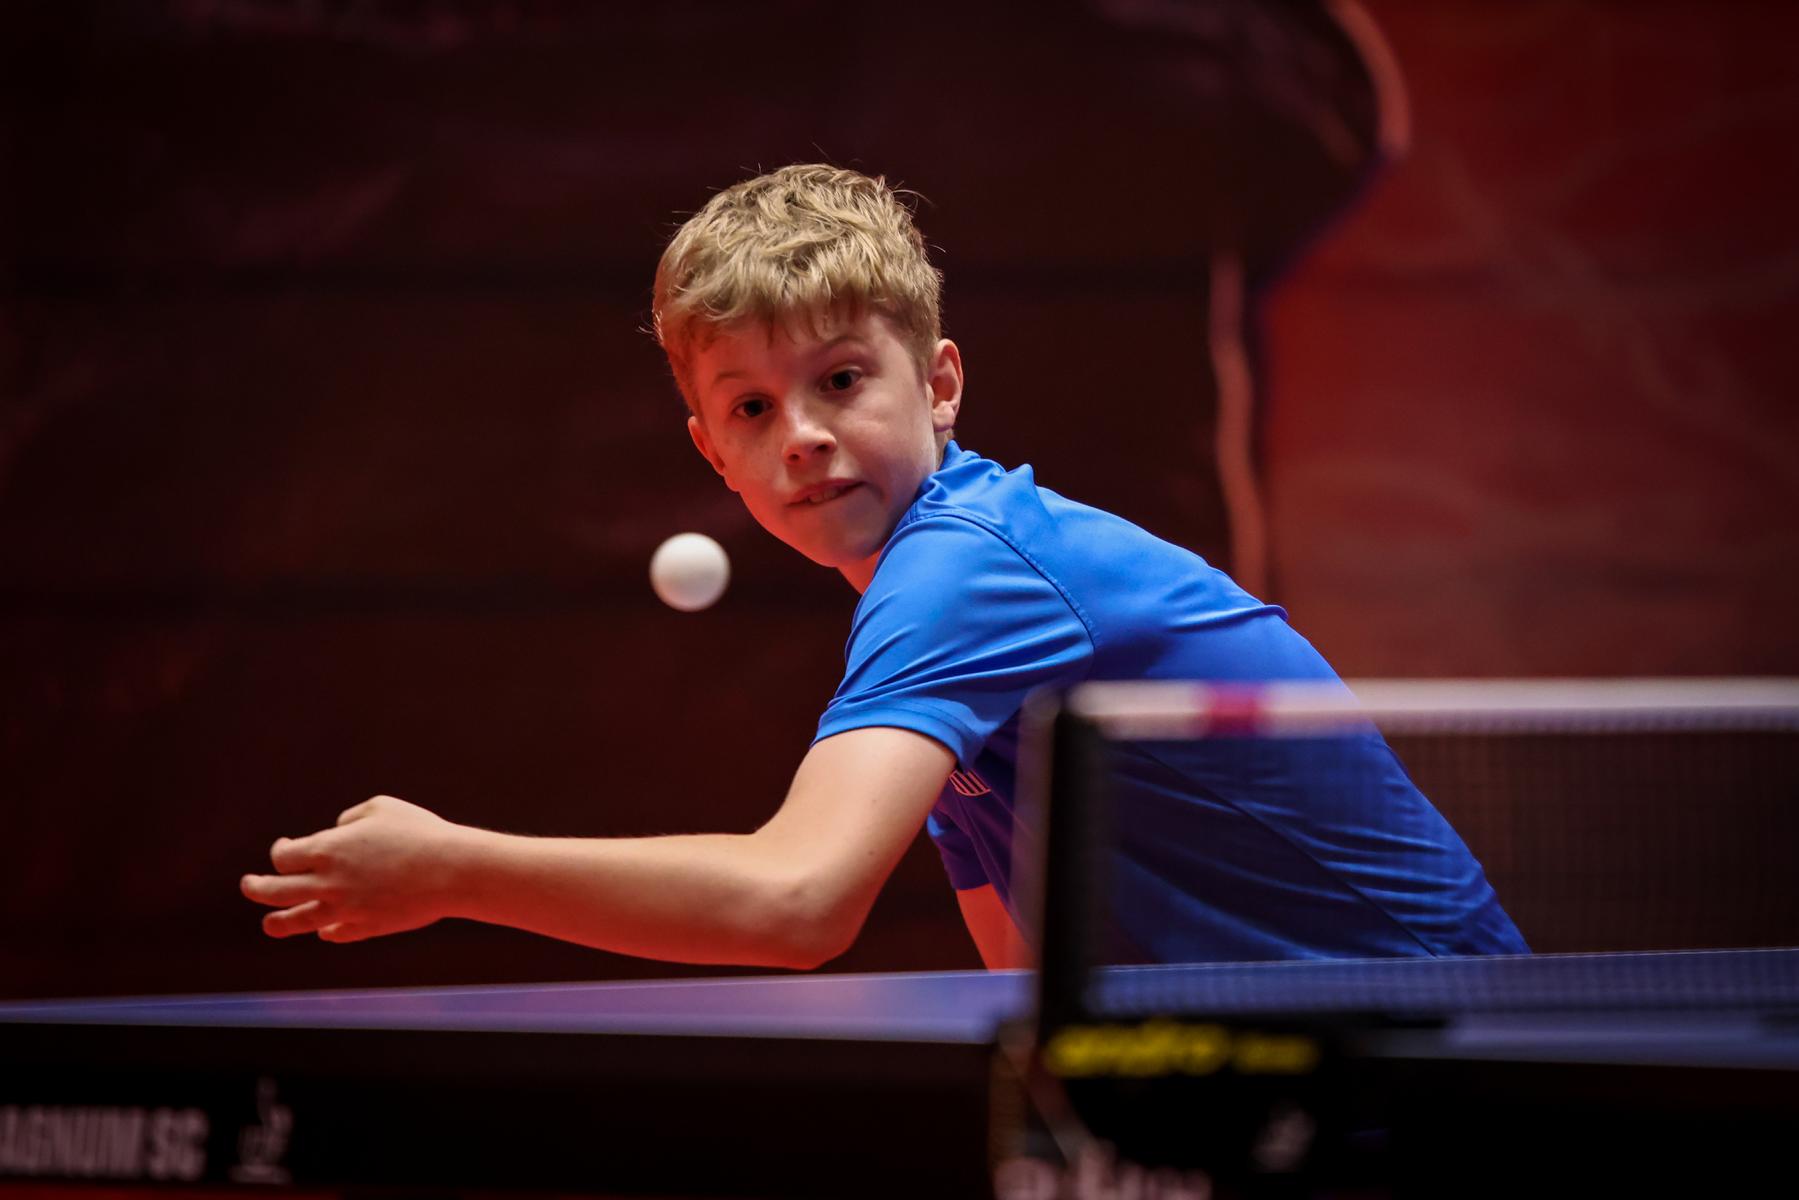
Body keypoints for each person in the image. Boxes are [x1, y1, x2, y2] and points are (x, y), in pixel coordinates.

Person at [242, 164, 1526, 968]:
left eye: (841, 380)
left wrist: (454, 869)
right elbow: (1017, 964)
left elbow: (795, 903)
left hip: (1451, 1066)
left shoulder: (968, 572)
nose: (800, 436)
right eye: (751, 409)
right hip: (1288, 1076)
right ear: (712, 456)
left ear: (940, 383)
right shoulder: (938, 606)